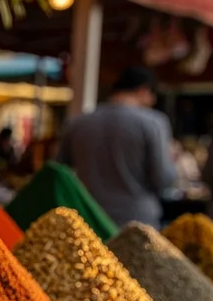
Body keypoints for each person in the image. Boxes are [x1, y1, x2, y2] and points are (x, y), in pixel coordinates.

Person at [56, 66, 178, 228]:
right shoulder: (153, 123)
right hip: (137, 222)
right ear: (144, 91)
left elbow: (59, 171)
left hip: (88, 220)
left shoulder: (78, 123)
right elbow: (163, 179)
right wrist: (173, 160)